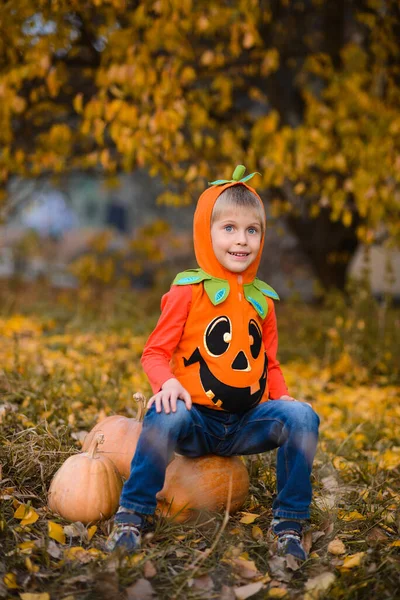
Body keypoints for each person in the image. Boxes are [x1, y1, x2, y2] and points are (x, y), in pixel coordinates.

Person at [106, 166, 320, 561]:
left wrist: (285, 398)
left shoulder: (263, 301)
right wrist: (165, 384)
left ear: (261, 236)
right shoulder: (188, 291)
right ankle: (132, 515)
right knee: (163, 415)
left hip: (245, 424)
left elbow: (268, 363)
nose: (241, 240)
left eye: (252, 231)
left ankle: (289, 524)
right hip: (196, 420)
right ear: (207, 232)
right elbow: (154, 352)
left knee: (304, 418)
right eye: (229, 229)